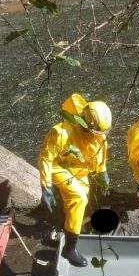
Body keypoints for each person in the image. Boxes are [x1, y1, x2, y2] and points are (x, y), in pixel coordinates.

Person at [39, 93, 112, 267]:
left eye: (103, 133)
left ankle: (59, 230)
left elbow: (99, 157)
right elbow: (46, 158)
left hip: (80, 171)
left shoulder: (99, 136)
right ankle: (70, 248)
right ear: (86, 123)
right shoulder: (62, 132)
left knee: (77, 201)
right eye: (97, 132)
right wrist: (46, 186)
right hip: (59, 167)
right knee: (79, 198)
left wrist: (103, 174)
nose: (100, 136)